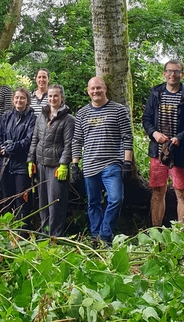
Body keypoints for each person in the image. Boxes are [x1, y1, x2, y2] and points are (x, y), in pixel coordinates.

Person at [72, 77, 133, 245]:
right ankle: (95, 235)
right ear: (88, 91)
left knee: (116, 199)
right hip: (90, 165)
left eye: (98, 88)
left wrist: (127, 163)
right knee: (93, 202)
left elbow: (127, 137)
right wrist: (75, 164)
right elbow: (77, 140)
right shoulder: (82, 113)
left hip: (112, 164)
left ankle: (105, 235)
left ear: (105, 88)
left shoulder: (118, 110)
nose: (95, 91)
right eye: (92, 89)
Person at [142, 60, 184, 226]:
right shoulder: (156, 94)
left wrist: (181, 137)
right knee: (158, 192)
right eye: (169, 71)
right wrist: (154, 133)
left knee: (182, 192)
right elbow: (147, 118)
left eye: (177, 71)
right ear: (164, 74)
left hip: (180, 151)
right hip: (158, 151)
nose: (173, 74)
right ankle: (156, 232)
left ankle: (182, 235)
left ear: (182, 75)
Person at [27, 84, 74, 237]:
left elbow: (69, 144)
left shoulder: (68, 119)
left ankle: (55, 236)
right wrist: (30, 160)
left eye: (56, 96)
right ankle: (44, 233)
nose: (52, 99)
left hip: (56, 166)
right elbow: (35, 138)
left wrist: (64, 164)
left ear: (61, 98)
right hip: (40, 163)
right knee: (43, 201)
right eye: (50, 96)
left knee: (56, 202)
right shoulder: (41, 116)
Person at [0, 88, 36, 227]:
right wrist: (1, 148)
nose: (19, 100)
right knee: (7, 199)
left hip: (22, 164)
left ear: (27, 100)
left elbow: (29, 140)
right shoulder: (6, 116)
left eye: (22, 98)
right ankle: (8, 229)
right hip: (5, 164)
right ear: (13, 100)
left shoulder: (32, 118)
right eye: (17, 98)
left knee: (21, 198)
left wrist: (11, 148)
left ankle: (22, 231)